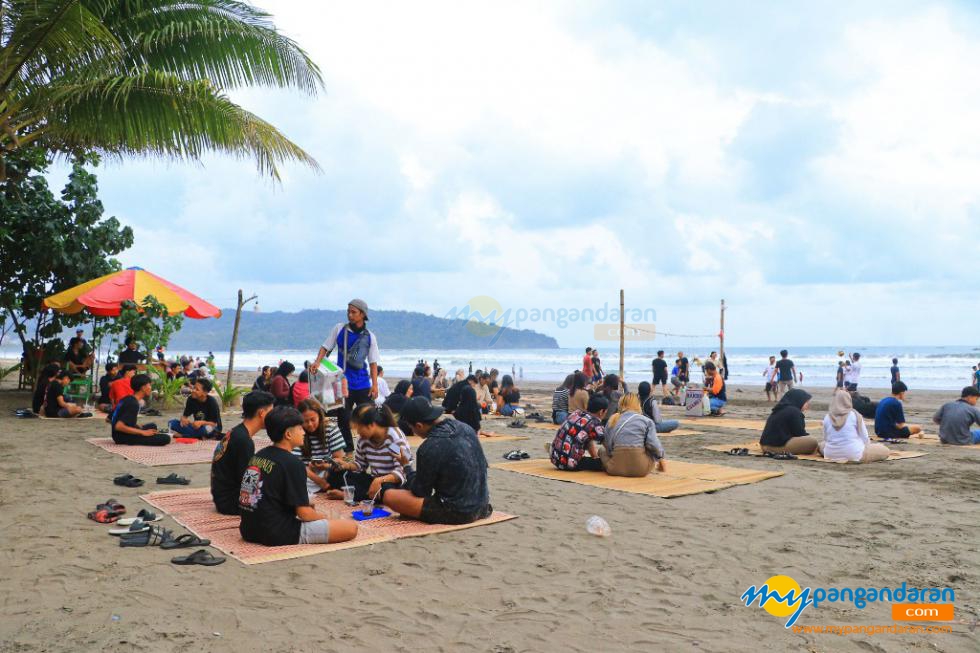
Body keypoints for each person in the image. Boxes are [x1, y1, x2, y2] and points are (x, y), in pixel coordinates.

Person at [238, 406, 358, 546]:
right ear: (288, 434)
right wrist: (326, 518)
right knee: (351, 528)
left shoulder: (258, 456)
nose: (303, 432)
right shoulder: (293, 463)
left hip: (248, 529)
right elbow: (304, 514)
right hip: (276, 532)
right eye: (300, 428)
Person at [382, 397, 491, 524]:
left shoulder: (429, 446)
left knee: (389, 496)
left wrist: (406, 466)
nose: (413, 431)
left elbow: (420, 491)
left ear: (419, 425)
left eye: (412, 428)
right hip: (483, 505)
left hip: (458, 512)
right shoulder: (466, 428)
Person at [312, 299, 381, 452]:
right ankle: (349, 451)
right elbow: (325, 347)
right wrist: (317, 362)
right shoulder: (339, 329)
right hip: (342, 383)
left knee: (369, 417)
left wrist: (374, 384)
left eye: (354, 312)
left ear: (363, 314)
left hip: (363, 384)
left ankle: (372, 448)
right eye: (348, 311)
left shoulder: (370, 336)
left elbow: (373, 362)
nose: (350, 315)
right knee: (343, 420)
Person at [326, 404, 413, 502]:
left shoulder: (393, 439)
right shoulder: (363, 440)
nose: (358, 433)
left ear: (371, 424)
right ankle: (362, 494)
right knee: (335, 474)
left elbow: (404, 470)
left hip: (392, 482)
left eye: (359, 428)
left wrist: (380, 480)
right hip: (374, 481)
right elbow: (360, 465)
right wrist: (346, 465)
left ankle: (351, 495)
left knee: (387, 490)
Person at [211, 391, 275, 514]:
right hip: (230, 502)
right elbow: (248, 482)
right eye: (270, 412)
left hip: (222, 496)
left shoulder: (237, 431)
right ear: (261, 413)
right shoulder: (244, 441)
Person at [602, 393, 667, 477]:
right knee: (650, 449)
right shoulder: (646, 421)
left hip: (614, 469)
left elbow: (608, 446)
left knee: (601, 450)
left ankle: (617, 463)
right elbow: (654, 445)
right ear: (637, 404)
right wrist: (661, 459)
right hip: (641, 470)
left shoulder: (612, 419)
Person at [293, 398, 347, 496]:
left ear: (320, 416)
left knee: (341, 472)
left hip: (326, 472)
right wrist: (320, 482)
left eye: (313, 420)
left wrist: (326, 466)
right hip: (306, 474)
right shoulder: (297, 432)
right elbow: (296, 464)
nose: (310, 424)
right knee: (293, 474)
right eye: (305, 421)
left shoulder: (331, 428)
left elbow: (339, 459)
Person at [820, 390, 890, 462]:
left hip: (830, 454)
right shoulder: (855, 415)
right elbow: (865, 437)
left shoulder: (827, 417)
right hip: (853, 454)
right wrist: (867, 447)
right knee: (884, 450)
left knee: (822, 445)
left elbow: (826, 438)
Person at [549, 395, 608, 471]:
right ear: (601, 412)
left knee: (586, 442)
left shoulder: (577, 413)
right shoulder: (595, 423)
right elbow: (607, 445)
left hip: (555, 458)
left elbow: (589, 441)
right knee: (603, 463)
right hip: (569, 463)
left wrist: (595, 457)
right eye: (606, 411)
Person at [110, 374, 169, 445]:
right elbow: (118, 426)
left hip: (118, 435)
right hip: (123, 437)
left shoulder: (127, 398)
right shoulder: (133, 404)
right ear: (143, 388)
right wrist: (142, 432)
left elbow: (109, 418)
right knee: (165, 438)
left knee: (152, 426)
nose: (151, 388)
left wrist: (135, 426)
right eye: (149, 385)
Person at [760, 389, 818, 454]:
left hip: (764, 444)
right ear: (799, 400)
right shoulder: (794, 411)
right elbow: (800, 434)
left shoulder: (781, 408)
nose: (808, 405)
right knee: (813, 442)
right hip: (774, 447)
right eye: (806, 402)